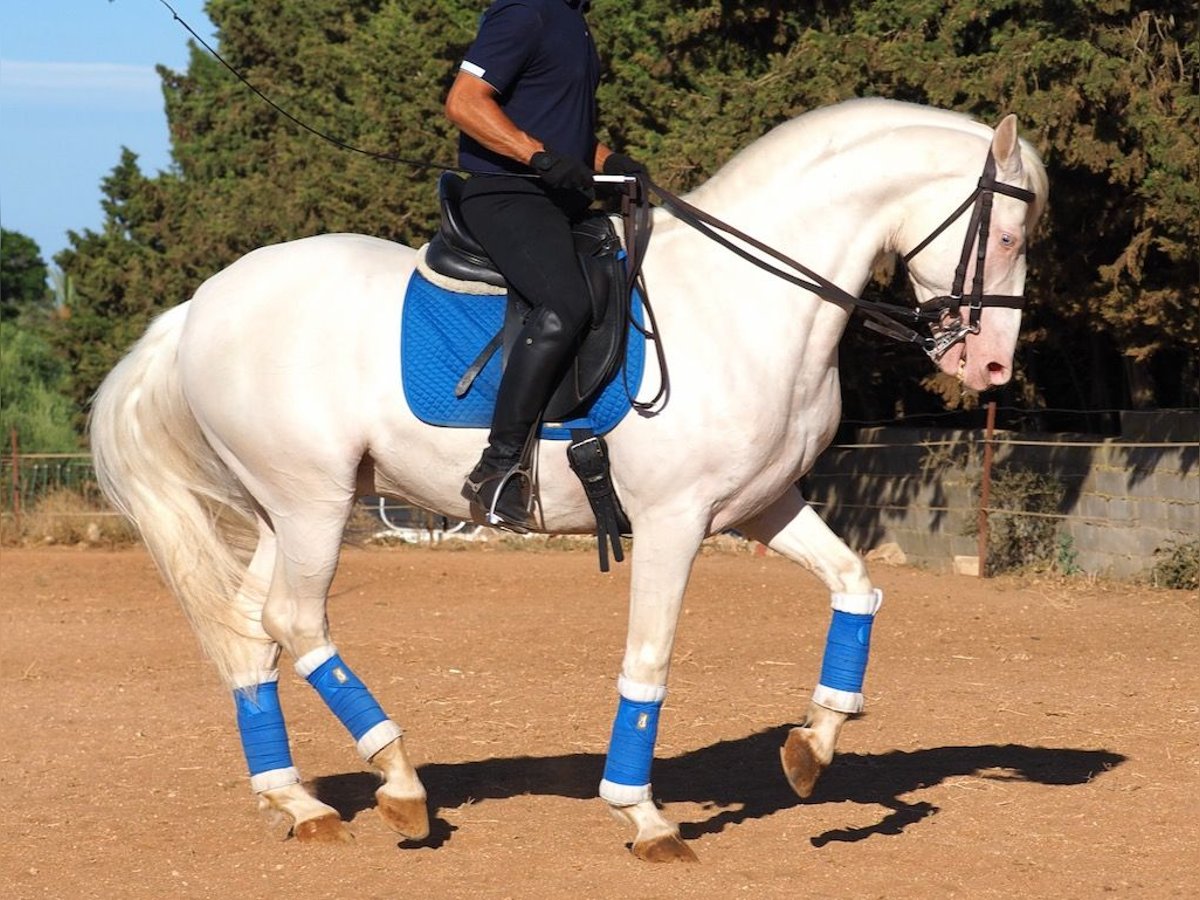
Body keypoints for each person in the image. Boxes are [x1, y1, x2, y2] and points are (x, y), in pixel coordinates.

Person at [444, 0, 647, 532]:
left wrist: (609, 162)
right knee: (565, 302)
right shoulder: (525, 13)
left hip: (560, 202)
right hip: (508, 195)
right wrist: (538, 158)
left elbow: (559, 130)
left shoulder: (574, 25)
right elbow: (465, 102)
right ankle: (497, 469)